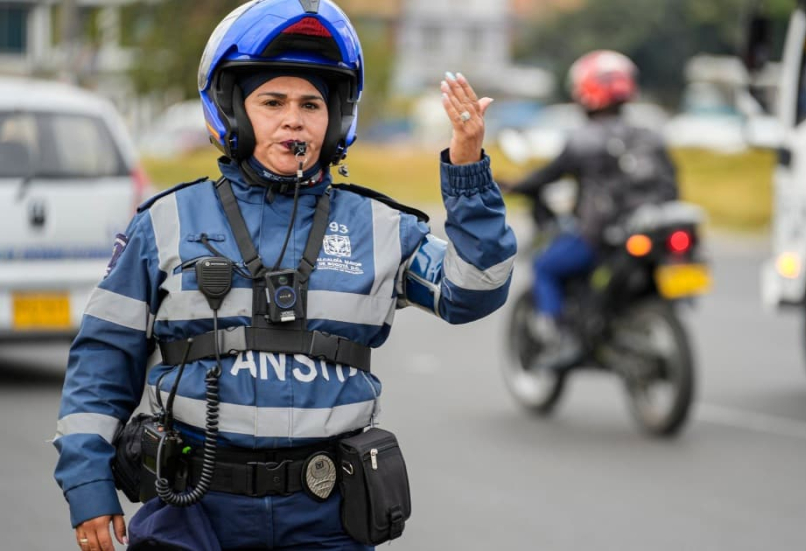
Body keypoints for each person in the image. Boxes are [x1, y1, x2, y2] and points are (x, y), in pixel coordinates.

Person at [52, 1, 516, 550]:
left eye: (311, 103)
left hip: (327, 517)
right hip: (192, 512)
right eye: (272, 101)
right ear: (231, 111)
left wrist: (466, 169)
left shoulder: (381, 226)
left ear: (337, 117)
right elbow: (103, 360)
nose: (293, 118)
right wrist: (87, 485)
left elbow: (475, 290)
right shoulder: (166, 222)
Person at [503, 50, 678, 368]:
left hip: (603, 236)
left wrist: (512, 185)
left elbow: (545, 176)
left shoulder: (583, 140)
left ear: (586, 91)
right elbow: (671, 185)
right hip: (655, 229)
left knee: (544, 266)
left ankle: (560, 336)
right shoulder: (650, 136)